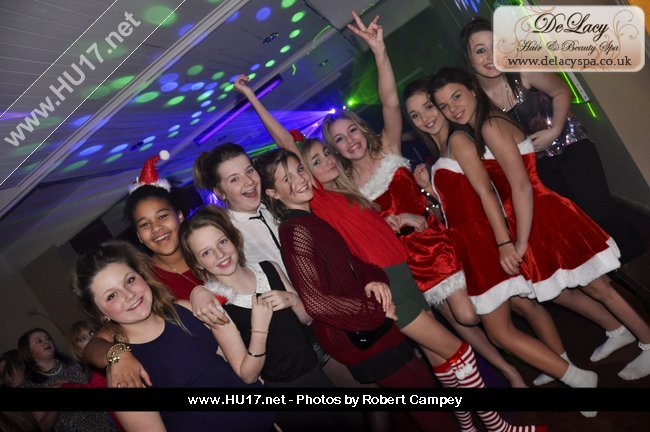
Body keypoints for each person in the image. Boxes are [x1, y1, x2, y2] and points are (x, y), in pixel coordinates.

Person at [233, 71, 527, 391]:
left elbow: (373, 225)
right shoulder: (317, 195)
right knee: (457, 350)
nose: (325, 162)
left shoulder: (345, 191)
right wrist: (252, 98)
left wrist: (401, 217)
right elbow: (286, 144)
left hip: (409, 268)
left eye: (326, 154)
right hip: (390, 278)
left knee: (440, 358)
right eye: (313, 162)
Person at [256, 148, 542, 432]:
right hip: (380, 302)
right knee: (460, 352)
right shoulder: (300, 224)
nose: (300, 178)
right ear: (273, 193)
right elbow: (316, 301)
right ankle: (499, 428)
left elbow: (351, 259)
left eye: (300, 170)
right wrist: (373, 309)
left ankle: (469, 428)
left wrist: (373, 274)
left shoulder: (315, 215)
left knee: (442, 362)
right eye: (287, 178)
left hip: (393, 279)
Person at [430, 67, 650, 383]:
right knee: (560, 290)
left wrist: (517, 243)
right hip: (529, 216)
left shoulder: (489, 125)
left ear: (473, 90)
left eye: (457, 97)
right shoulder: (483, 124)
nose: (453, 108)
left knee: (597, 285)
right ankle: (618, 331)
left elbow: (521, 185)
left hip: (541, 214)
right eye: (445, 105)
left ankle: (647, 340)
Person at [459, 16, 644, 265]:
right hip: (538, 166)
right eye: (481, 50)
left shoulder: (523, 71)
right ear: (469, 59)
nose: (491, 56)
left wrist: (555, 130)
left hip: (570, 144)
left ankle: (639, 262)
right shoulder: (476, 98)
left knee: (601, 211)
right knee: (579, 219)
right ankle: (615, 270)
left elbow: (561, 90)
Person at [72, 240, 276, 432]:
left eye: (130, 280)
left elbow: (244, 372)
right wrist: (118, 354)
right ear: (101, 314)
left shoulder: (185, 310)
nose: (129, 295)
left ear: (142, 276)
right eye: (111, 296)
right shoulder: (124, 374)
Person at [84, 152, 231, 389]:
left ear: (179, 215)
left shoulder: (213, 249)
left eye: (163, 216)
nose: (157, 229)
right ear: (139, 236)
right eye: (145, 224)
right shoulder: (142, 282)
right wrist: (118, 354)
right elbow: (94, 346)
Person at [18, 328, 118, 431]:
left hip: (106, 423)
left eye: (48, 338)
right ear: (29, 352)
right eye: (39, 341)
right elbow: (43, 427)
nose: (46, 342)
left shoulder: (74, 363)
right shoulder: (32, 385)